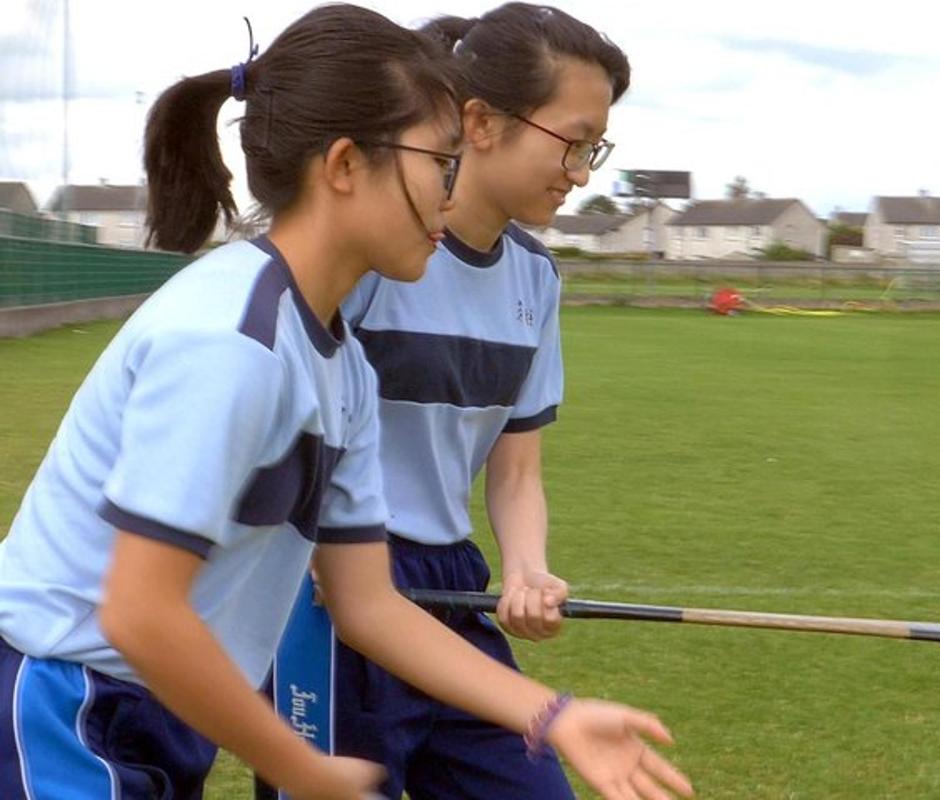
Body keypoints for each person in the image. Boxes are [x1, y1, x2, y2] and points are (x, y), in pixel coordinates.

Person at [0, 6, 691, 800]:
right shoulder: (233, 341)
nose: (451, 191)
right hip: (65, 708)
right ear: (343, 166)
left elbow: (367, 606)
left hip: (151, 713)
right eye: (440, 161)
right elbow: (138, 614)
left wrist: (554, 714)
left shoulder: (344, 368)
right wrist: (302, 769)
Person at [267, 4, 634, 798]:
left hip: (449, 580)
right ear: (482, 122)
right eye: (571, 142)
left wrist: (528, 569)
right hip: (330, 588)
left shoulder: (536, 279)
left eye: (594, 149)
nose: (580, 172)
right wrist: (330, 556)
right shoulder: (369, 257)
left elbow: (515, 470)